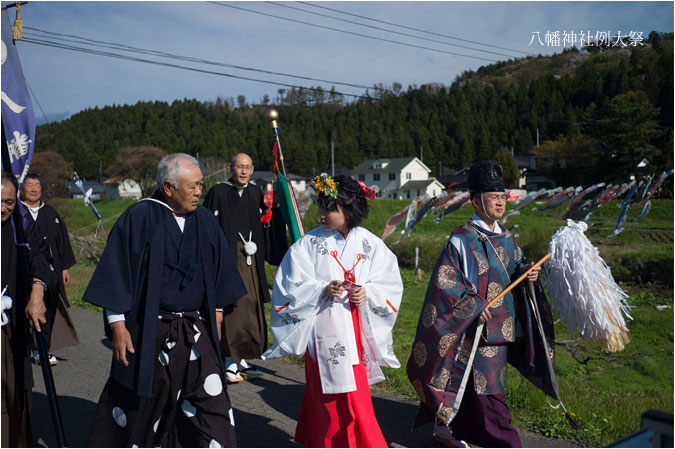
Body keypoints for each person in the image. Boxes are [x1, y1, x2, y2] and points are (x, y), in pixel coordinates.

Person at [83, 154, 247, 447]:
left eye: (201, 185)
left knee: (211, 405)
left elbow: (221, 272)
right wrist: (118, 326)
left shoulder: (205, 219)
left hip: (196, 329)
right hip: (150, 329)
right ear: (168, 187)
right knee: (143, 406)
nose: (199, 192)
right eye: (192, 186)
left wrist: (218, 315)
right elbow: (117, 273)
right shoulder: (139, 217)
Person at [406, 160, 555, 448]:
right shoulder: (461, 239)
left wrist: (529, 271)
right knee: (472, 388)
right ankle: (497, 441)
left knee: (487, 389)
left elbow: (517, 267)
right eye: (493, 197)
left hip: (497, 330)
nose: (501, 203)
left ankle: (461, 433)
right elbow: (445, 283)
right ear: (476, 201)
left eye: (503, 196)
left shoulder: (508, 237)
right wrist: (473, 306)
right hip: (467, 326)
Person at [263, 173, 403, 448]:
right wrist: (321, 289)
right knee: (328, 396)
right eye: (321, 206)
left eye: (331, 208)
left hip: (356, 325)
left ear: (350, 211)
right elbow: (290, 285)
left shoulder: (370, 243)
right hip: (323, 326)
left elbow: (388, 281)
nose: (322, 214)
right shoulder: (307, 245)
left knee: (355, 395)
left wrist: (367, 292)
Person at [203, 153, 288, 383]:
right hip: (228, 259)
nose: (243, 171)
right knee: (233, 306)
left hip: (251, 259)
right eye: (239, 167)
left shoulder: (254, 192)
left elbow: (267, 222)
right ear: (230, 167)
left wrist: (277, 207)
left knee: (251, 304)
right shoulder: (218, 192)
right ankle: (228, 359)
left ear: (252, 170)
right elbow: (206, 227)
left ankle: (242, 358)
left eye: (248, 167)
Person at [2, 171, 50, 447]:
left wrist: (37, 288)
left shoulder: (21, 225)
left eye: (9, 202)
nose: (3, 208)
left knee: (18, 390)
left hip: (14, 321)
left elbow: (42, 260)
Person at [20, 173, 79, 366]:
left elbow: (62, 242)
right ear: (23, 188)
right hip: (24, 272)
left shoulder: (51, 212)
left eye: (37, 185)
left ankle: (42, 349)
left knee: (49, 310)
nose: (34, 189)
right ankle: (24, 348)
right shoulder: (16, 212)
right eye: (30, 185)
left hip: (51, 273)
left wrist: (63, 268)